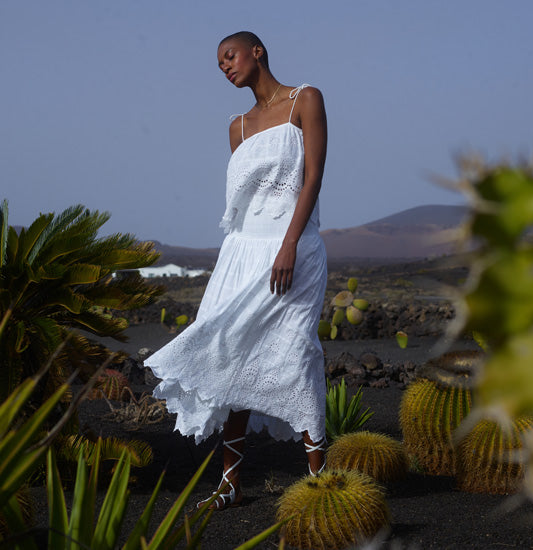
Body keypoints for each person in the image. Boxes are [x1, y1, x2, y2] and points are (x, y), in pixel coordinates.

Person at [144, 30, 328, 510]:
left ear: (257, 52)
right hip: (242, 254)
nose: (225, 66)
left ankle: (320, 485)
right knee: (231, 356)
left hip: (294, 250)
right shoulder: (238, 127)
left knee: (296, 352)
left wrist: (288, 244)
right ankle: (230, 484)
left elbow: (312, 178)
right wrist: (242, 255)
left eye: (230, 56)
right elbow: (244, 205)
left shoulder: (304, 100)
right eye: (219, 63)